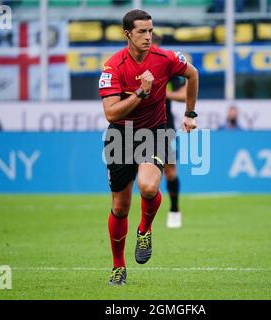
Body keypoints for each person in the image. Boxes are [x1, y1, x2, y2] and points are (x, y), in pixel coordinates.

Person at [99, 9, 199, 286]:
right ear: (127, 34)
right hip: (120, 135)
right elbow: (112, 114)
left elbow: (193, 74)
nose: (147, 36)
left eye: (150, 30)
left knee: (149, 186)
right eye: (141, 31)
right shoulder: (112, 67)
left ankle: (145, 230)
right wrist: (141, 92)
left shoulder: (165, 58)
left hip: (155, 132)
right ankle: (118, 267)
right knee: (120, 207)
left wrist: (190, 114)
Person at [152, 32, 186, 229]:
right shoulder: (135, 65)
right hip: (140, 124)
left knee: (170, 170)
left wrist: (165, 93)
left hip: (165, 124)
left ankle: (174, 209)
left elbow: (183, 95)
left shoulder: (167, 65)